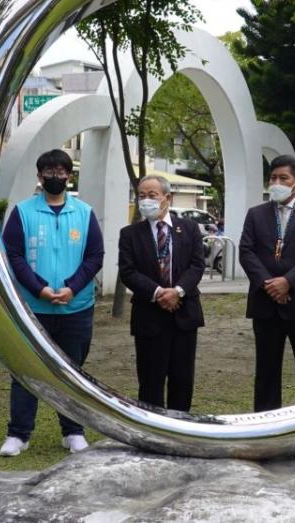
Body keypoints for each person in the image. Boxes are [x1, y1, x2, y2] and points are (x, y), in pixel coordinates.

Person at [0, 148, 104, 456]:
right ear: (39, 176)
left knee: (72, 370)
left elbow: (95, 256)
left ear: (69, 177)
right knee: (26, 370)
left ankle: (73, 431)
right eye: (49, 172)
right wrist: (40, 288)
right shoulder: (23, 212)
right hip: (35, 307)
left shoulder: (84, 213)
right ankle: (18, 434)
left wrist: (72, 287)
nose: (55, 177)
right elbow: (14, 256)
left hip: (76, 307)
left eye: (61, 172)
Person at [239, 154, 295, 412]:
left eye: (283, 178)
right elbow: (246, 252)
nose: (276, 182)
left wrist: (288, 282)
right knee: (266, 372)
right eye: (273, 177)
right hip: (265, 305)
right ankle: (265, 429)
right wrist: (270, 284)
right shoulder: (256, 214)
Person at [118, 175, 206, 411]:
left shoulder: (188, 228)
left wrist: (178, 291)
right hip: (149, 316)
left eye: (152, 195)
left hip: (184, 315)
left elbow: (197, 265)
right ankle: (152, 433)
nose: (146, 200)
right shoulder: (130, 234)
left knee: (182, 379)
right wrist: (158, 293)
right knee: (150, 381)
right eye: (141, 195)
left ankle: (181, 432)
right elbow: (128, 272)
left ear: (167, 198)